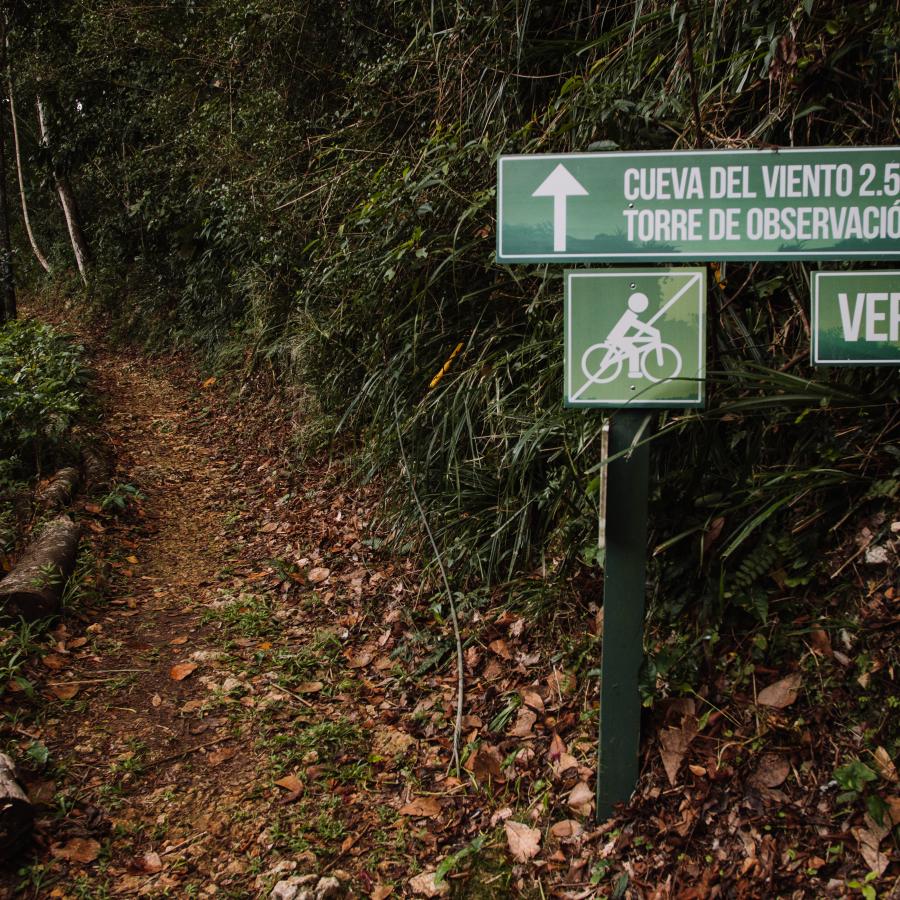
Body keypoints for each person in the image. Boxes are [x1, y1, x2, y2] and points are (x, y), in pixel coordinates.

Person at [604, 292, 660, 377]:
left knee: (633, 348)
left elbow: (639, 325)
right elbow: (639, 325)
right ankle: (634, 373)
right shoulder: (630, 315)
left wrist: (653, 332)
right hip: (616, 338)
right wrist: (653, 332)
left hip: (617, 337)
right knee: (634, 351)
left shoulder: (630, 314)